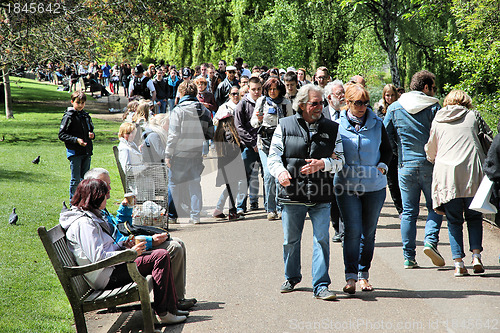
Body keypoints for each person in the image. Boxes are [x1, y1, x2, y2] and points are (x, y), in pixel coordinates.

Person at [60, 179, 188, 324]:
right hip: (105, 276)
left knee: (161, 255)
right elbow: (98, 258)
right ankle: (164, 312)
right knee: (160, 256)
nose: (107, 198)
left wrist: (123, 244)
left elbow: (106, 247)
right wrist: (130, 253)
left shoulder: (91, 216)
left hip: (112, 268)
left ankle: (171, 308)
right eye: (104, 195)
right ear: (95, 197)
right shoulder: (84, 223)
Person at [268, 84, 344, 301]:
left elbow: (341, 160)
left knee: (322, 239)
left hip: (321, 194)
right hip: (293, 194)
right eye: (315, 103)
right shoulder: (284, 125)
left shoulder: (332, 128)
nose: (320, 107)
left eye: (321, 102)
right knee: (290, 240)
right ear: (301, 105)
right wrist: (281, 173)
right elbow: (273, 157)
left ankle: (321, 286)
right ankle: (291, 277)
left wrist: (324, 164)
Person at [83, 168, 195, 307]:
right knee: (174, 248)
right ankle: (170, 304)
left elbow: (118, 230)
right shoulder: (87, 219)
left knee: (178, 243)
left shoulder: (98, 209)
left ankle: (175, 300)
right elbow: (109, 247)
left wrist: (125, 209)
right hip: (116, 265)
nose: (109, 188)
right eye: (105, 185)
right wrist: (149, 241)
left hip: (123, 251)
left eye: (109, 184)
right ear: (92, 186)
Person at [335, 83, 392, 293]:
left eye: (365, 102)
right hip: (346, 185)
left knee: (368, 232)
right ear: (347, 103)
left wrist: (382, 167)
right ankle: (350, 277)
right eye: (357, 103)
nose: (362, 107)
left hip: (374, 186)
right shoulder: (337, 124)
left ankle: (363, 275)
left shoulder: (377, 123)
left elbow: (387, 149)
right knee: (352, 231)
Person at [384, 70, 444, 269]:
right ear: (425, 87)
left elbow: (384, 134)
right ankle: (430, 241)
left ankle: (409, 257)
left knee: (409, 212)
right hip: (430, 165)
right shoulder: (434, 106)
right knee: (435, 207)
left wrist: (397, 151)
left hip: (405, 166)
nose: (433, 91)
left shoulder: (394, 107)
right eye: (432, 87)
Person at [425, 90, 486, 276]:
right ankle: (476, 257)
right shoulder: (473, 116)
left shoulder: (438, 119)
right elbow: (487, 139)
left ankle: (458, 263)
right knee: (474, 218)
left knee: (454, 221)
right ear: (466, 102)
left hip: (447, 177)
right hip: (472, 173)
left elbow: (431, 150)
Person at [166, 80, 215, 224]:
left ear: (181, 93)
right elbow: (210, 132)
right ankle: (195, 216)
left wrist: (168, 154)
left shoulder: (178, 110)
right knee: (195, 183)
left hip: (179, 154)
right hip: (196, 152)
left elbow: (173, 135)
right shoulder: (204, 110)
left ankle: (173, 215)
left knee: (174, 183)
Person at [251, 77, 293, 220]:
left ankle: (281, 207)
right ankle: (270, 209)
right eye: (270, 89)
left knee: (279, 175)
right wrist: (259, 119)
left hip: (280, 142)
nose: (272, 92)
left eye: (275, 89)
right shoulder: (261, 102)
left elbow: (291, 122)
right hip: (264, 142)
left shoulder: (286, 103)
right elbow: (253, 122)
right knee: (268, 175)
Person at [234, 76, 263, 214]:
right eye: (253, 89)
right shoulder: (242, 104)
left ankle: (271, 207)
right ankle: (240, 206)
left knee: (268, 177)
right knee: (243, 177)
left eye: (259, 89)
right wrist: (252, 143)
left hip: (265, 145)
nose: (256, 92)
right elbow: (239, 127)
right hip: (248, 146)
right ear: (248, 89)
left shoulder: (266, 102)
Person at [58, 91, 95, 200]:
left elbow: (91, 130)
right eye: (78, 102)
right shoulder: (69, 116)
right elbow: (62, 134)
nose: (80, 105)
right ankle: (73, 201)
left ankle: (83, 201)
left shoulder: (86, 116)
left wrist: (92, 135)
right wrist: (76, 140)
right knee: (75, 179)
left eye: (82, 103)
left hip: (86, 151)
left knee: (85, 179)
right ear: (72, 102)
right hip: (75, 152)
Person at [323, 80, 345, 243]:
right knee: (332, 197)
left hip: (346, 162)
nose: (343, 96)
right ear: (330, 97)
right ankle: (337, 227)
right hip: (328, 163)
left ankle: (345, 229)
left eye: (343, 92)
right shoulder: (321, 113)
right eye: (339, 94)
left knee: (346, 195)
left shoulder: (349, 112)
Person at [378, 84, 404, 218]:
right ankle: (400, 209)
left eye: (392, 95)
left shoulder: (401, 108)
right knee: (392, 181)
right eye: (387, 95)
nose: (389, 98)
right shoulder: (380, 110)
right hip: (388, 150)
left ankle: (406, 206)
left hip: (400, 149)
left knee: (402, 180)